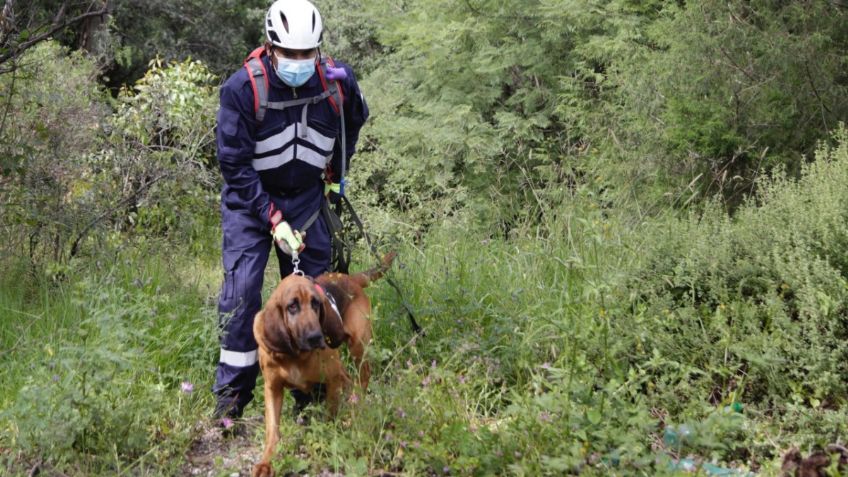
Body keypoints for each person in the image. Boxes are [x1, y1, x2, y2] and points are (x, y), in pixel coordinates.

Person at [212, 0, 369, 420]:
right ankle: (231, 401)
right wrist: (271, 218)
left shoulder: (331, 84)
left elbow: (350, 127)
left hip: (306, 200)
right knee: (241, 294)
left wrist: (352, 91)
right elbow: (233, 163)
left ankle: (310, 396)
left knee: (313, 296)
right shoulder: (243, 89)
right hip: (251, 202)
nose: (300, 62)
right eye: (291, 54)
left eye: (308, 53)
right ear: (270, 46)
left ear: (318, 48)